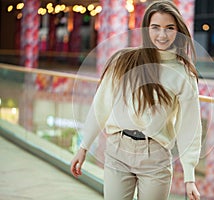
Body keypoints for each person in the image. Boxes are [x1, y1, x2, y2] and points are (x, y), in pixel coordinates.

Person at [70, 1, 202, 200]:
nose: (162, 35)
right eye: (155, 27)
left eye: (169, 28)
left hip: (155, 156)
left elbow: (190, 126)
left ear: (179, 31)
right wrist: (84, 147)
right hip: (117, 150)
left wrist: (189, 177)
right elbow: (101, 105)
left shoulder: (183, 74)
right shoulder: (124, 60)